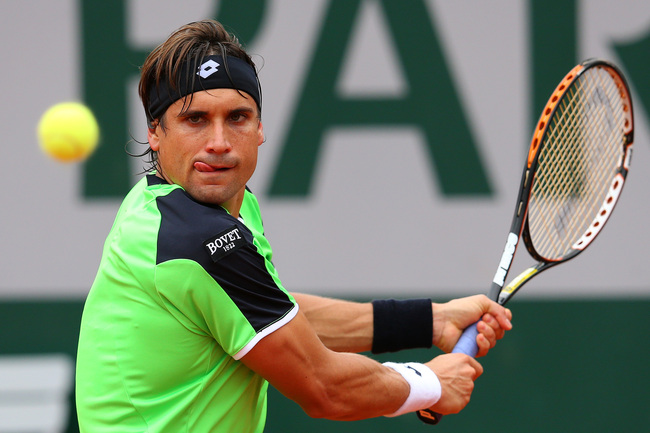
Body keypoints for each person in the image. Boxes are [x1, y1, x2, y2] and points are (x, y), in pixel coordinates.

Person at [75, 19, 513, 433]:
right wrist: (430, 383)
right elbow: (325, 389)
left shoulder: (166, 207)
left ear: (260, 127)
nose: (220, 143)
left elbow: (273, 313)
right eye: (195, 119)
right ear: (156, 132)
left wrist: (429, 322)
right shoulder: (196, 238)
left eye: (237, 117)